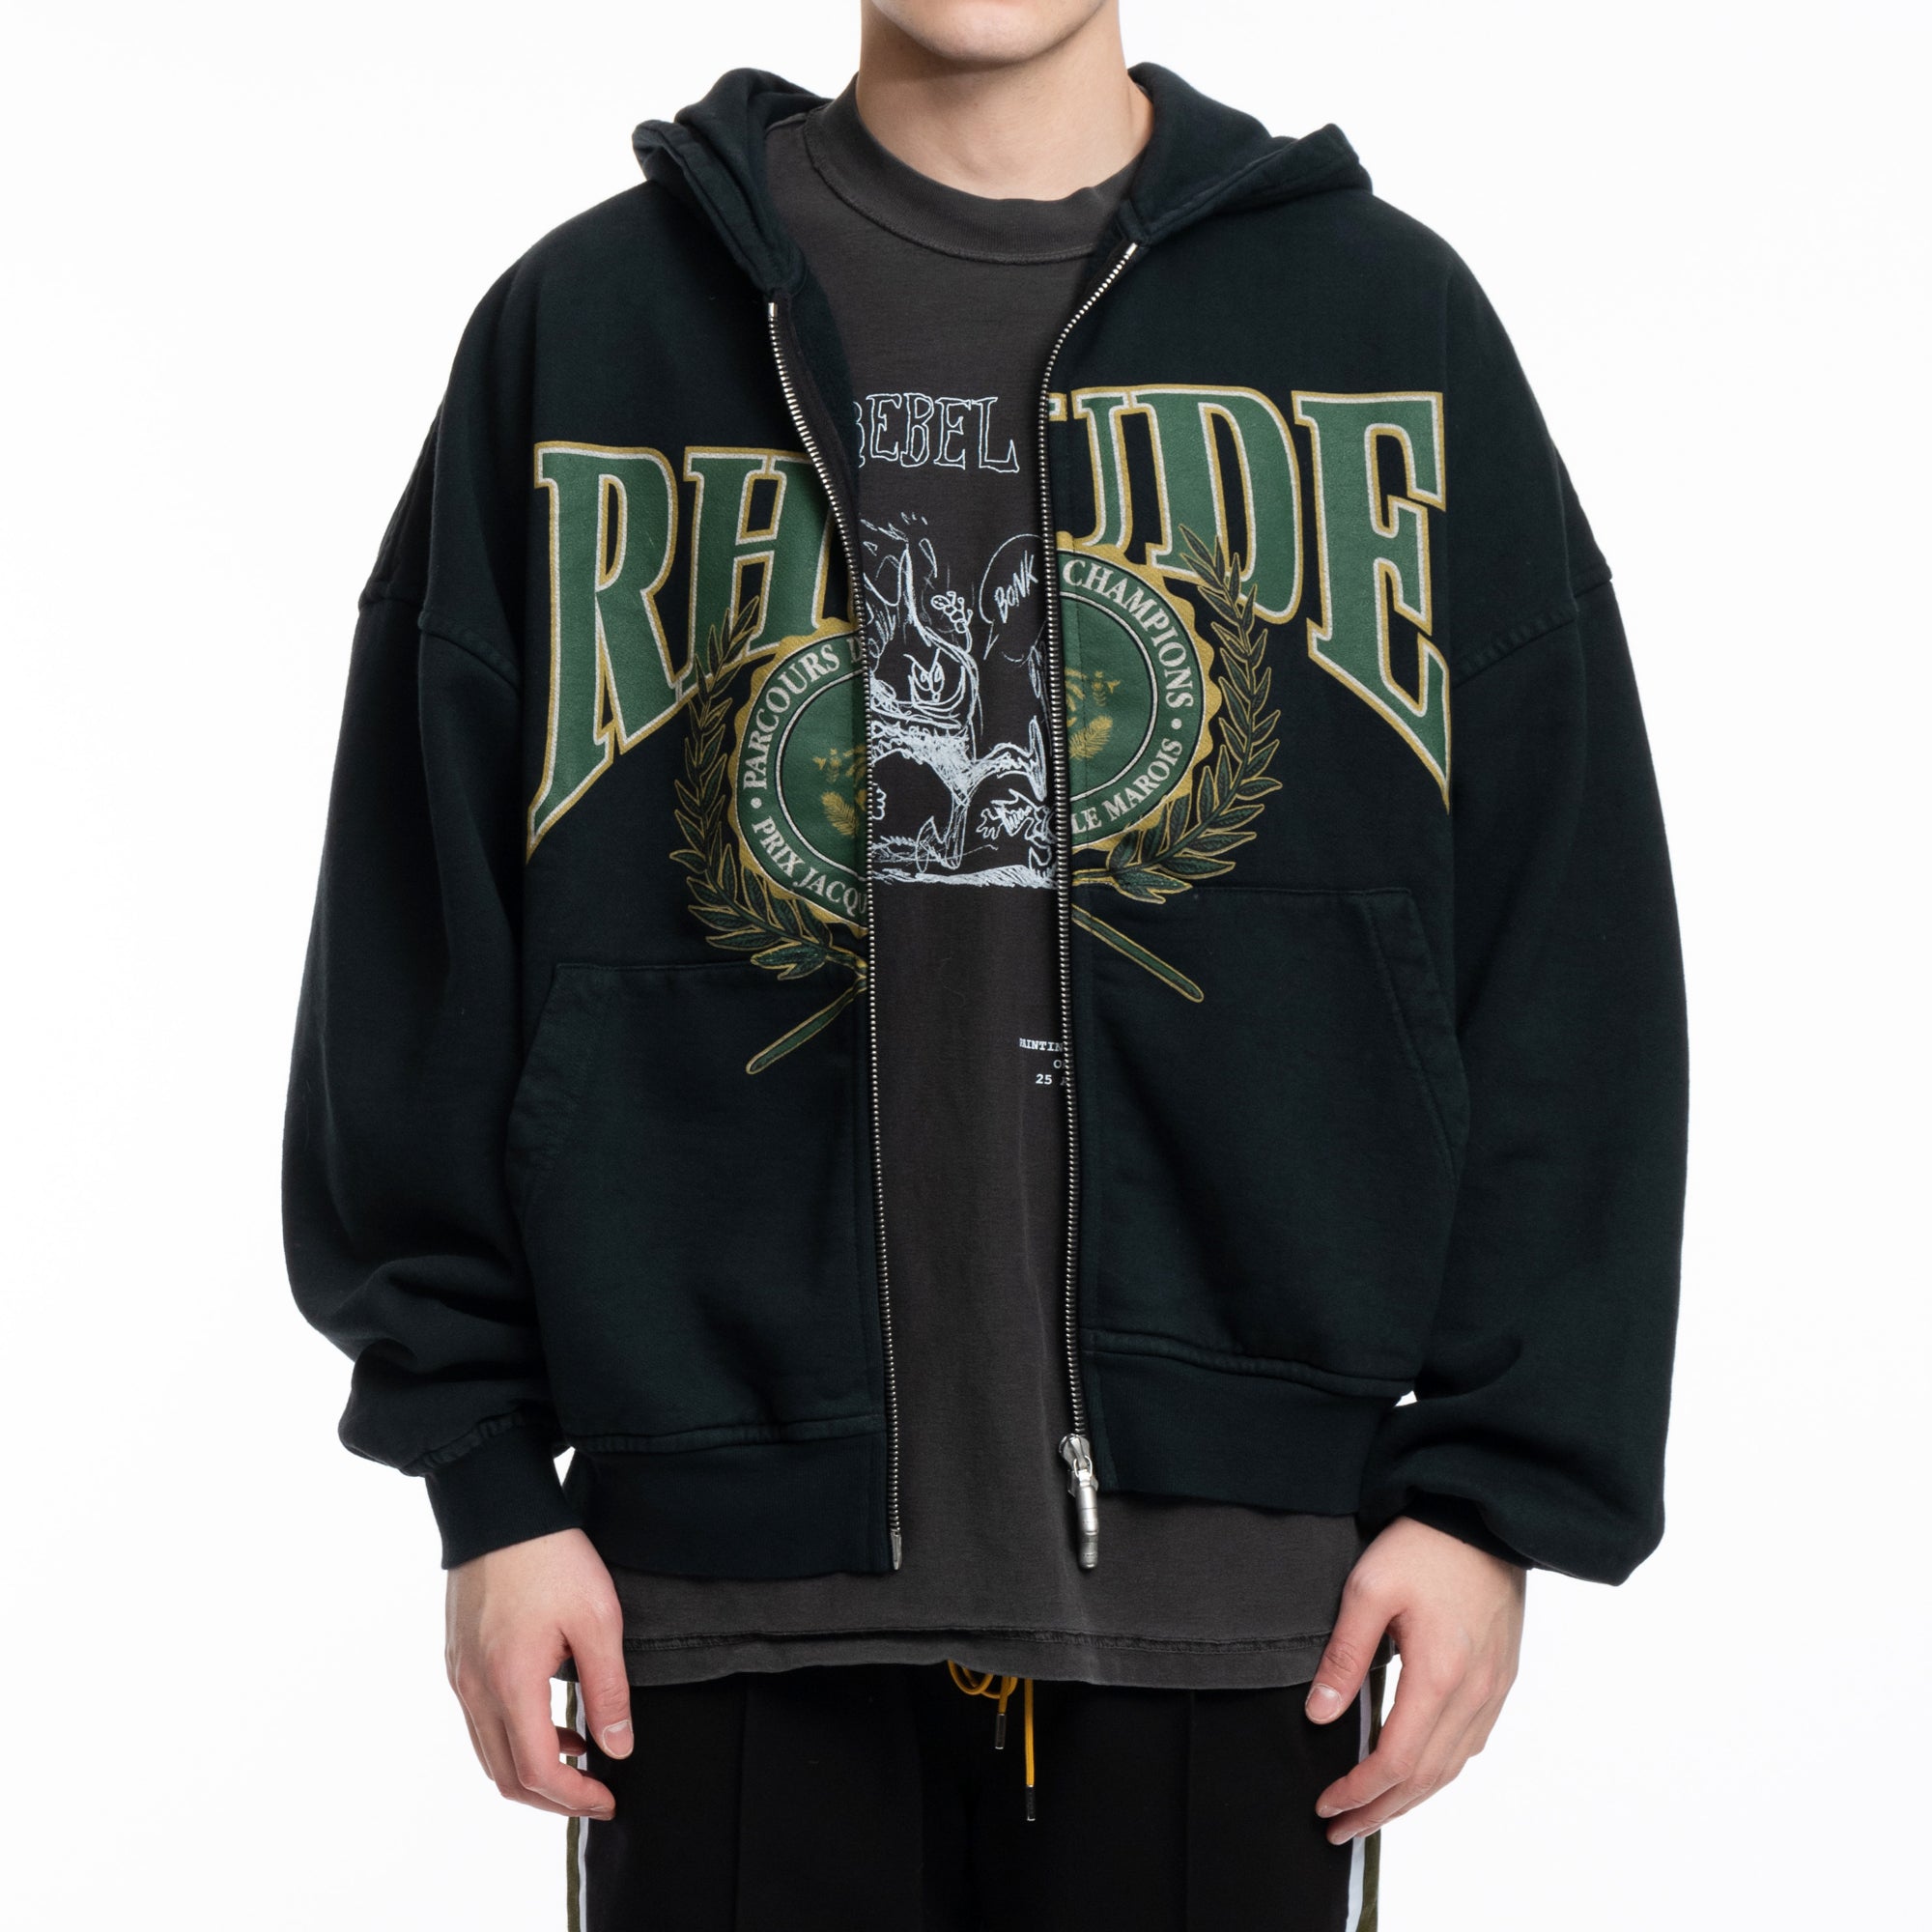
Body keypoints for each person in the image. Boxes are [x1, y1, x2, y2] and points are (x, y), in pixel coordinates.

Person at [282, 3, 1688, 1924]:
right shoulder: (585, 330)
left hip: (1241, 1603)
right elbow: (414, 936)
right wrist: (488, 1481)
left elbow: (1568, 946)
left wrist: (1489, 1500)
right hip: (713, 1597)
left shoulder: (1387, 325)